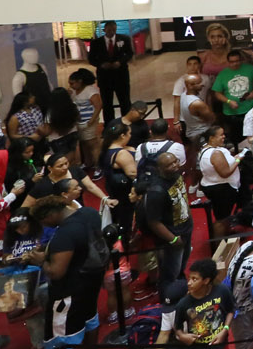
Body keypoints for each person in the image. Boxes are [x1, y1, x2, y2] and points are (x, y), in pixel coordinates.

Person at [35, 193, 107, 349]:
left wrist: (40, 260)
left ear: (50, 215)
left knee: (60, 335)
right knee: (91, 318)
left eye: (43, 221)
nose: (44, 226)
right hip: (93, 278)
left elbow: (56, 272)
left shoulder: (65, 234)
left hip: (69, 290)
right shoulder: (89, 213)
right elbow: (80, 247)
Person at [172, 258, 234, 349]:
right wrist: (183, 337)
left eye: (195, 279)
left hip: (219, 347)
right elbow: (177, 328)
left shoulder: (221, 290)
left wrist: (225, 330)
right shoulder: (183, 304)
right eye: (189, 278)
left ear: (206, 280)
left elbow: (230, 311)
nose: (189, 283)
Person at [144, 150, 193, 288]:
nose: (175, 166)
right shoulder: (157, 190)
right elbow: (153, 222)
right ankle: (169, 295)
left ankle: (179, 283)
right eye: (169, 165)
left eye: (175, 161)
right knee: (171, 271)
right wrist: (173, 239)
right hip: (172, 235)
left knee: (182, 264)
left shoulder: (176, 176)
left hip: (186, 227)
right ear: (160, 169)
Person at [196, 124, 242, 237]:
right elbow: (225, 172)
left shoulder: (205, 149)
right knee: (221, 219)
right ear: (212, 138)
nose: (224, 137)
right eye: (221, 135)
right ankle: (219, 245)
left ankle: (225, 236)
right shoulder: (215, 153)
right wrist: (238, 160)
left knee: (223, 216)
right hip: (221, 189)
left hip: (215, 186)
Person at [85, 22, 134, 125]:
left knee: (125, 101)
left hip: (121, 76)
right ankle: (109, 125)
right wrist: (101, 64)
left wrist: (120, 62)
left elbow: (129, 53)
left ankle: (127, 124)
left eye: (114, 30)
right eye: (109, 30)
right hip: (105, 77)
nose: (111, 32)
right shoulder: (96, 43)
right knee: (107, 103)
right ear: (104, 30)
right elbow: (91, 59)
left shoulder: (124, 39)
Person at [101, 122, 139, 251]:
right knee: (126, 220)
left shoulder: (106, 149)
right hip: (125, 193)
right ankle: (125, 246)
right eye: (129, 134)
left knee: (119, 218)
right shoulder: (121, 154)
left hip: (113, 190)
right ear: (122, 135)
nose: (130, 136)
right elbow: (133, 173)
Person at [210, 49, 253, 144]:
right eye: (232, 62)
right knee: (236, 138)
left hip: (250, 110)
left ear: (241, 60)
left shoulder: (249, 69)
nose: (235, 64)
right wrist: (229, 101)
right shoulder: (223, 74)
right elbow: (217, 93)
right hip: (232, 113)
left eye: (237, 61)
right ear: (228, 62)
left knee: (252, 136)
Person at [67, 69, 103, 170]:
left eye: (72, 83)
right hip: (79, 121)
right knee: (83, 143)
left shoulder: (90, 91)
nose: (70, 86)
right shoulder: (73, 91)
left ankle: (98, 166)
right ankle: (88, 163)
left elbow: (98, 106)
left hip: (89, 121)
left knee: (92, 144)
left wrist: (91, 121)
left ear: (80, 81)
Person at [177, 74, 215, 149]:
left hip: (192, 132)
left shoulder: (183, 95)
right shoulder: (197, 103)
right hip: (202, 134)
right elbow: (211, 118)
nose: (202, 85)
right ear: (190, 86)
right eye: (199, 83)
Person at [171, 56, 204, 121]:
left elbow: (208, 97)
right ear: (187, 66)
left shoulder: (206, 79)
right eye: (190, 64)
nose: (192, 67)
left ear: (199, 65)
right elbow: (176, 101)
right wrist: (176, 120)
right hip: (186, 118)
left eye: (195, 64)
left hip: (202, 115)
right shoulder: (180, 82)